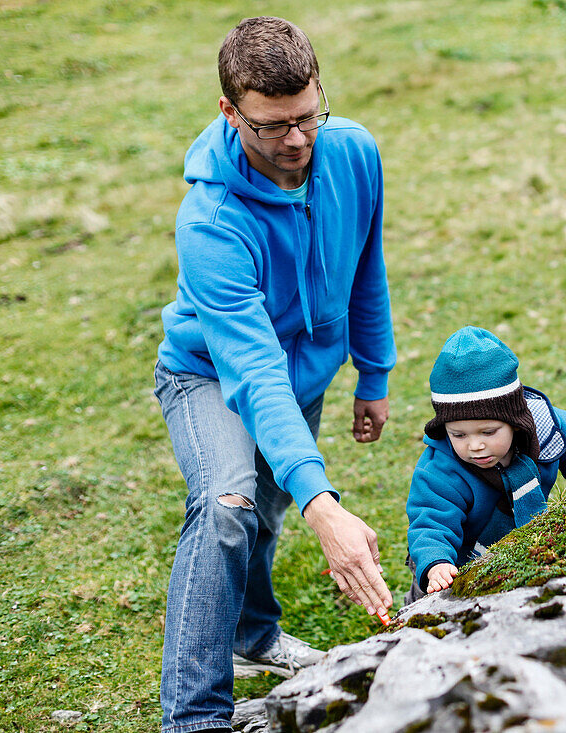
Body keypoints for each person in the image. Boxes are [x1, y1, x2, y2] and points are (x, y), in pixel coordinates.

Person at [153, 16, 395, 733]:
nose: (295, 140)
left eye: (307, 117)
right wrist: (328, 504)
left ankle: (253, 637)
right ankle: (194, 716)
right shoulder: (211, 220)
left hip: (307, 370)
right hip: (206, 370)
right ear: (230, 112)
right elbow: (252, 370)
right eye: (270, 126)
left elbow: (365, 267)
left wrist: (373, 372)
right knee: (228, 504)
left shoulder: (352, 152)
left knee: (265, 514)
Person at [405, 326, 566, 602]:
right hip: (456, 562)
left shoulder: (544, 427)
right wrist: (436, 563)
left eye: (488, 432)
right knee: (434, 600)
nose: (475, 445)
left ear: (515, 421)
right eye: (459, 435)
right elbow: (430, 521)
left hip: (522, 548)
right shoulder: (440, 468)